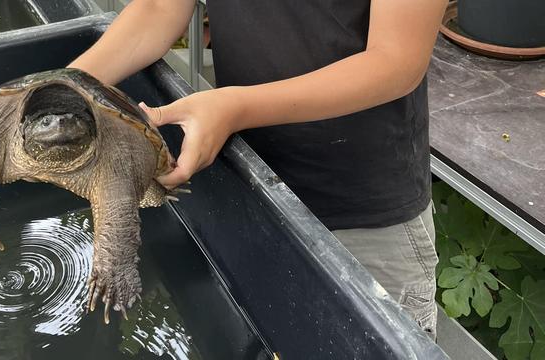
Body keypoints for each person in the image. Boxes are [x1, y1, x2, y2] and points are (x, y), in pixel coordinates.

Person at [69, 0, 448, 338]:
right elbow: (159, 7)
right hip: (251, 183)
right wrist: (63, 88)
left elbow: (396, 60)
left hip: (361, 218)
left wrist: (236, 108)